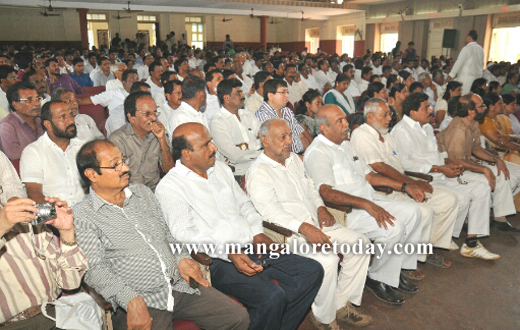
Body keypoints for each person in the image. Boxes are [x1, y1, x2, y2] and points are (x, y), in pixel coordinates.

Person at [155, 122, 323, 330]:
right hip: (217, 261)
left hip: (252, 245)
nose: (214, 148)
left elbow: (245, 205)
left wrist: (257, 233)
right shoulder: (170, 187)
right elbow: (185, 233)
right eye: (206, 144)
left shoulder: (220, 169)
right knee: (272, 297)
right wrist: (229, 253)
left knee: (311, 270)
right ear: (187, 154)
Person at [74, 140, 249, 330]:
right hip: (140, 298)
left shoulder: (142, 193)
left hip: (178, 285)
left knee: (237, 317)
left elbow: (166, 233)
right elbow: (95, 270)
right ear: (92, 174)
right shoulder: (83, 215)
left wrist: (181, 257)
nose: (125, 167)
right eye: (115, 164)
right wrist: (130, 299)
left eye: (123, 160)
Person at [246, 118, 373, 328]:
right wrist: (303, 228)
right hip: (289, 235)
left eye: (289, 135)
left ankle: (338, 304)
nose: (289, 141)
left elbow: (311, 188)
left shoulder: (293, 159)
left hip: (315, 222)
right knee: (328, 260)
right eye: (282, 137)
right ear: (265, 140)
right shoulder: (258, 172)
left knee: (361, 244)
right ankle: (324, 318)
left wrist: (321, 207)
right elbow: (269, 213)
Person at [304, 105, 423, 305]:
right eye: (339, 121)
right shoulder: (318, 152)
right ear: (323, 128)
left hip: (369, 200)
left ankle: (392, 270)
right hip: (346, 212)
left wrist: (405, 186)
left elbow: (369, 176)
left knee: (414, 212)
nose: (346, 124)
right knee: (393, 227)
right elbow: (325, 192)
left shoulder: (346, 144)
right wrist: (366, 204)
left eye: (345, 119)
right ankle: (378, 278)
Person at [351, 98, 459, 267]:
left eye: (389, 114)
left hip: (403, 183)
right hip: (383, 190)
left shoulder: (385, 134)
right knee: (423, 212)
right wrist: (411, 183)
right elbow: (379, 167)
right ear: (370, 116)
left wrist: (415, 181)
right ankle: (407, 263)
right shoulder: (362, 134)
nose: (389, 118)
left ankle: (426, 249)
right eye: (385, 115)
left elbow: (399, 166)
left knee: (449, 200)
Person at [391, 92, 499, 259]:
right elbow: (406, 165)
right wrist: (440, 168)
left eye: (429, 106)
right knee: (460, 198)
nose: (430, 110)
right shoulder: (401, 131)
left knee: (481, 187)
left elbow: (436, 154)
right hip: (423, 179)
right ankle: (438, 240)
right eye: (425, 108)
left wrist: (449, 162)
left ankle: (470, 243)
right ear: (412, 113)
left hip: (440, 174)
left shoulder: (426, 127)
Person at [436, 93, 520, 232]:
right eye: (482, 106)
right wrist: (484, 169)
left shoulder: (473, 123)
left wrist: (496, 159)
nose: (485, 108)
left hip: (468, 162)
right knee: (498, 176)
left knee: (505, 172)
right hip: (455, 169)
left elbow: (476, 148)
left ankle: (495, 214)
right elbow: (457, 160)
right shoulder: (458, 128)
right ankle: (490, 219)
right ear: (470, 111)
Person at [20, 100, 86, 206]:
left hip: (88, 216)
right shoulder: (33, 152)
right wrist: (57, 213)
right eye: (63, 117)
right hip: (54, 216)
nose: (70, 121)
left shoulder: (84, 147)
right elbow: (34, 193)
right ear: (48, 125)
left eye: (70, 115)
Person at [109, 91, 173, 191]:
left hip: (155, 191)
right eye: (147, 114)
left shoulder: (158, 133)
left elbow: (170, 171)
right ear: (131, 118)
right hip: (130, 194)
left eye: (155, 112)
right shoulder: (118, 140)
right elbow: (114, 179)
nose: (154, 118)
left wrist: (162, 140)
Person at [210, 79, 262, 183]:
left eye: (242, 92)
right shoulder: (218, 122)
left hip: (259, 166)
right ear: (226, 98)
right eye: (239, 93)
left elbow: (265, 139)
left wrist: (245, 146)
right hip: (237, 175)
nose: (243, 95)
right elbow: (233, 155)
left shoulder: (248, 115)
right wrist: (260, 151)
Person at [256, 79, 312, 154]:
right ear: (270, 96)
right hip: (282, 159)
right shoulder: (263, 115)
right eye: (283, 92)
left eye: (287, 92)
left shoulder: (287, 111)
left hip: (299, 156)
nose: (287, 96)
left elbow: (301, 136)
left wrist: (307, 154)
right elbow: (274, 147)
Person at [0, 82, 44, 160]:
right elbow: (14, 154)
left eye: (37, 99)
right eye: (29, 99)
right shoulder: (7, 125)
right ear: (16, 105)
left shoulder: (40, 121)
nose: (37, 103)